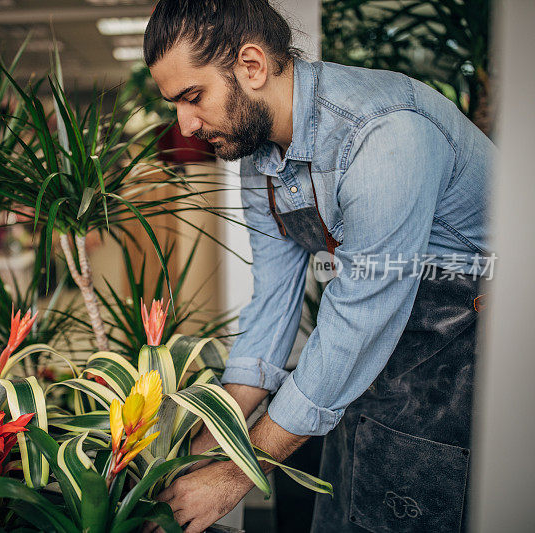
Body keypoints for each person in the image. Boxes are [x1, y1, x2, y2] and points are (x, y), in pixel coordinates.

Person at [142, 1, 495, 532]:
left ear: (253, 66)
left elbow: (359, 322)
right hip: (371, 374)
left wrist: (235, 473)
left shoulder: (385, 135)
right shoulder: (258, 153)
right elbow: (271, 305)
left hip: (464, 363)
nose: (185, 125)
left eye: (193, 97)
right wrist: (203, 444)